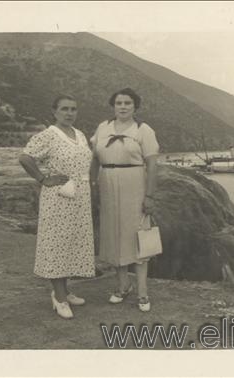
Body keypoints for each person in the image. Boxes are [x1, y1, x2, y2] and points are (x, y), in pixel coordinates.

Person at [18, 94, 95, 319]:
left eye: (73, 109)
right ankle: (59, 298)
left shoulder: (79, 134)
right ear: (54, 112)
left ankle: (65, 290)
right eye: (64, 109)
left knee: (71, 241)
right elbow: (25, 158)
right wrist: (43, 179)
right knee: (57, 243)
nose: (69, 113)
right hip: (58, 196)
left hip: (79, 196)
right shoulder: (48, 135)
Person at [90, 88, 160, 312]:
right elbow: (94, 160)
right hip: (107, 184)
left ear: (135, 107)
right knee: (115, 236)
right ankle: (122, 286)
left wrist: (149, 195)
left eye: (127, 103)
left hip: (134, 184)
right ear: (113, 105)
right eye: (118, 102)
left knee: (139, 237)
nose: (122, 106)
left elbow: (152, 165)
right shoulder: (103, 128)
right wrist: (91, 185)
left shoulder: (143, 130)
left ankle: (142, 292)